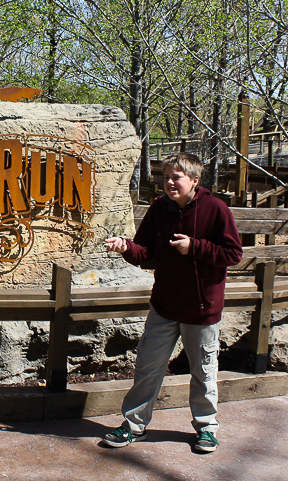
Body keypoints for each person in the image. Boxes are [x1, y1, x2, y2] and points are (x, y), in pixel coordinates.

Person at [102, 152, 242, 453]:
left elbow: (232, 254)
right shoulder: (158, 210)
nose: (168, 182)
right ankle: (134, 425)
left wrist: (195, 247)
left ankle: (206, 428)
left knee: (203, 372)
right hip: (163, 307)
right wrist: (125, 246)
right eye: (165, 176)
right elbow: (145, 252)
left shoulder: (215, 209)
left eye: (175, 177)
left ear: (194, 180)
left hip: (201, 310)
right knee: (147, 368)